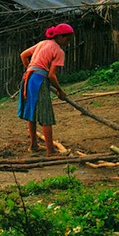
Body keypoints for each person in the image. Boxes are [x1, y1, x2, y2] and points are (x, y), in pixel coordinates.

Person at [18, 23, 74, 156]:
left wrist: (29, 69)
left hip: (28, 78)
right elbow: (51, 75)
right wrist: (60, 91)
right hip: (39, 81)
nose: (68, 42)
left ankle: (34, 146)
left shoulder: (42, 43)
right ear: (60, 37)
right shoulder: (58, 51)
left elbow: (23, 55)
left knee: (31, 113)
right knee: (45, 115)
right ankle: (50, 150)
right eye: (67, 39)